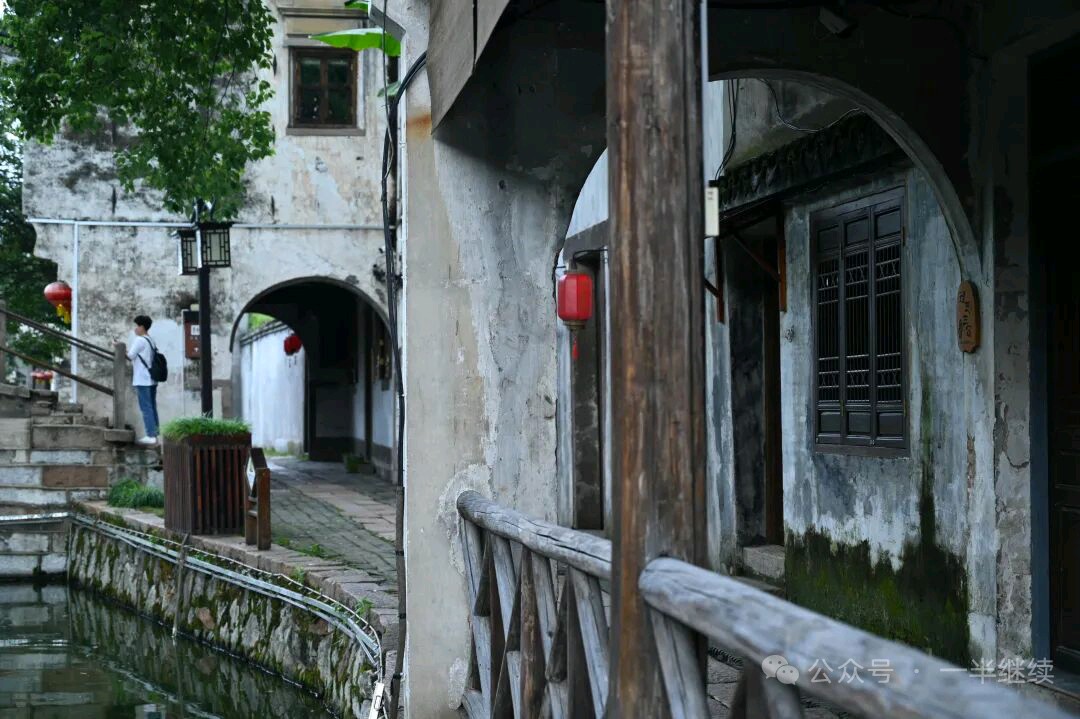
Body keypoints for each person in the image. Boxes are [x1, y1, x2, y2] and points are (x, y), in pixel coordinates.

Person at [127, 315, 160, 446]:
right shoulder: (150, 340)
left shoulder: (139, 340)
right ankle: (155, 434)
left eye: (137, 326)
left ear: (142, 327)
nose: (135, 329)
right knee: (152, 407)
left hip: (142, 379)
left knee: (146, 408)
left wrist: (117, 346)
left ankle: (151, 435)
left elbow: (130, 356)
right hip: (152, 379)